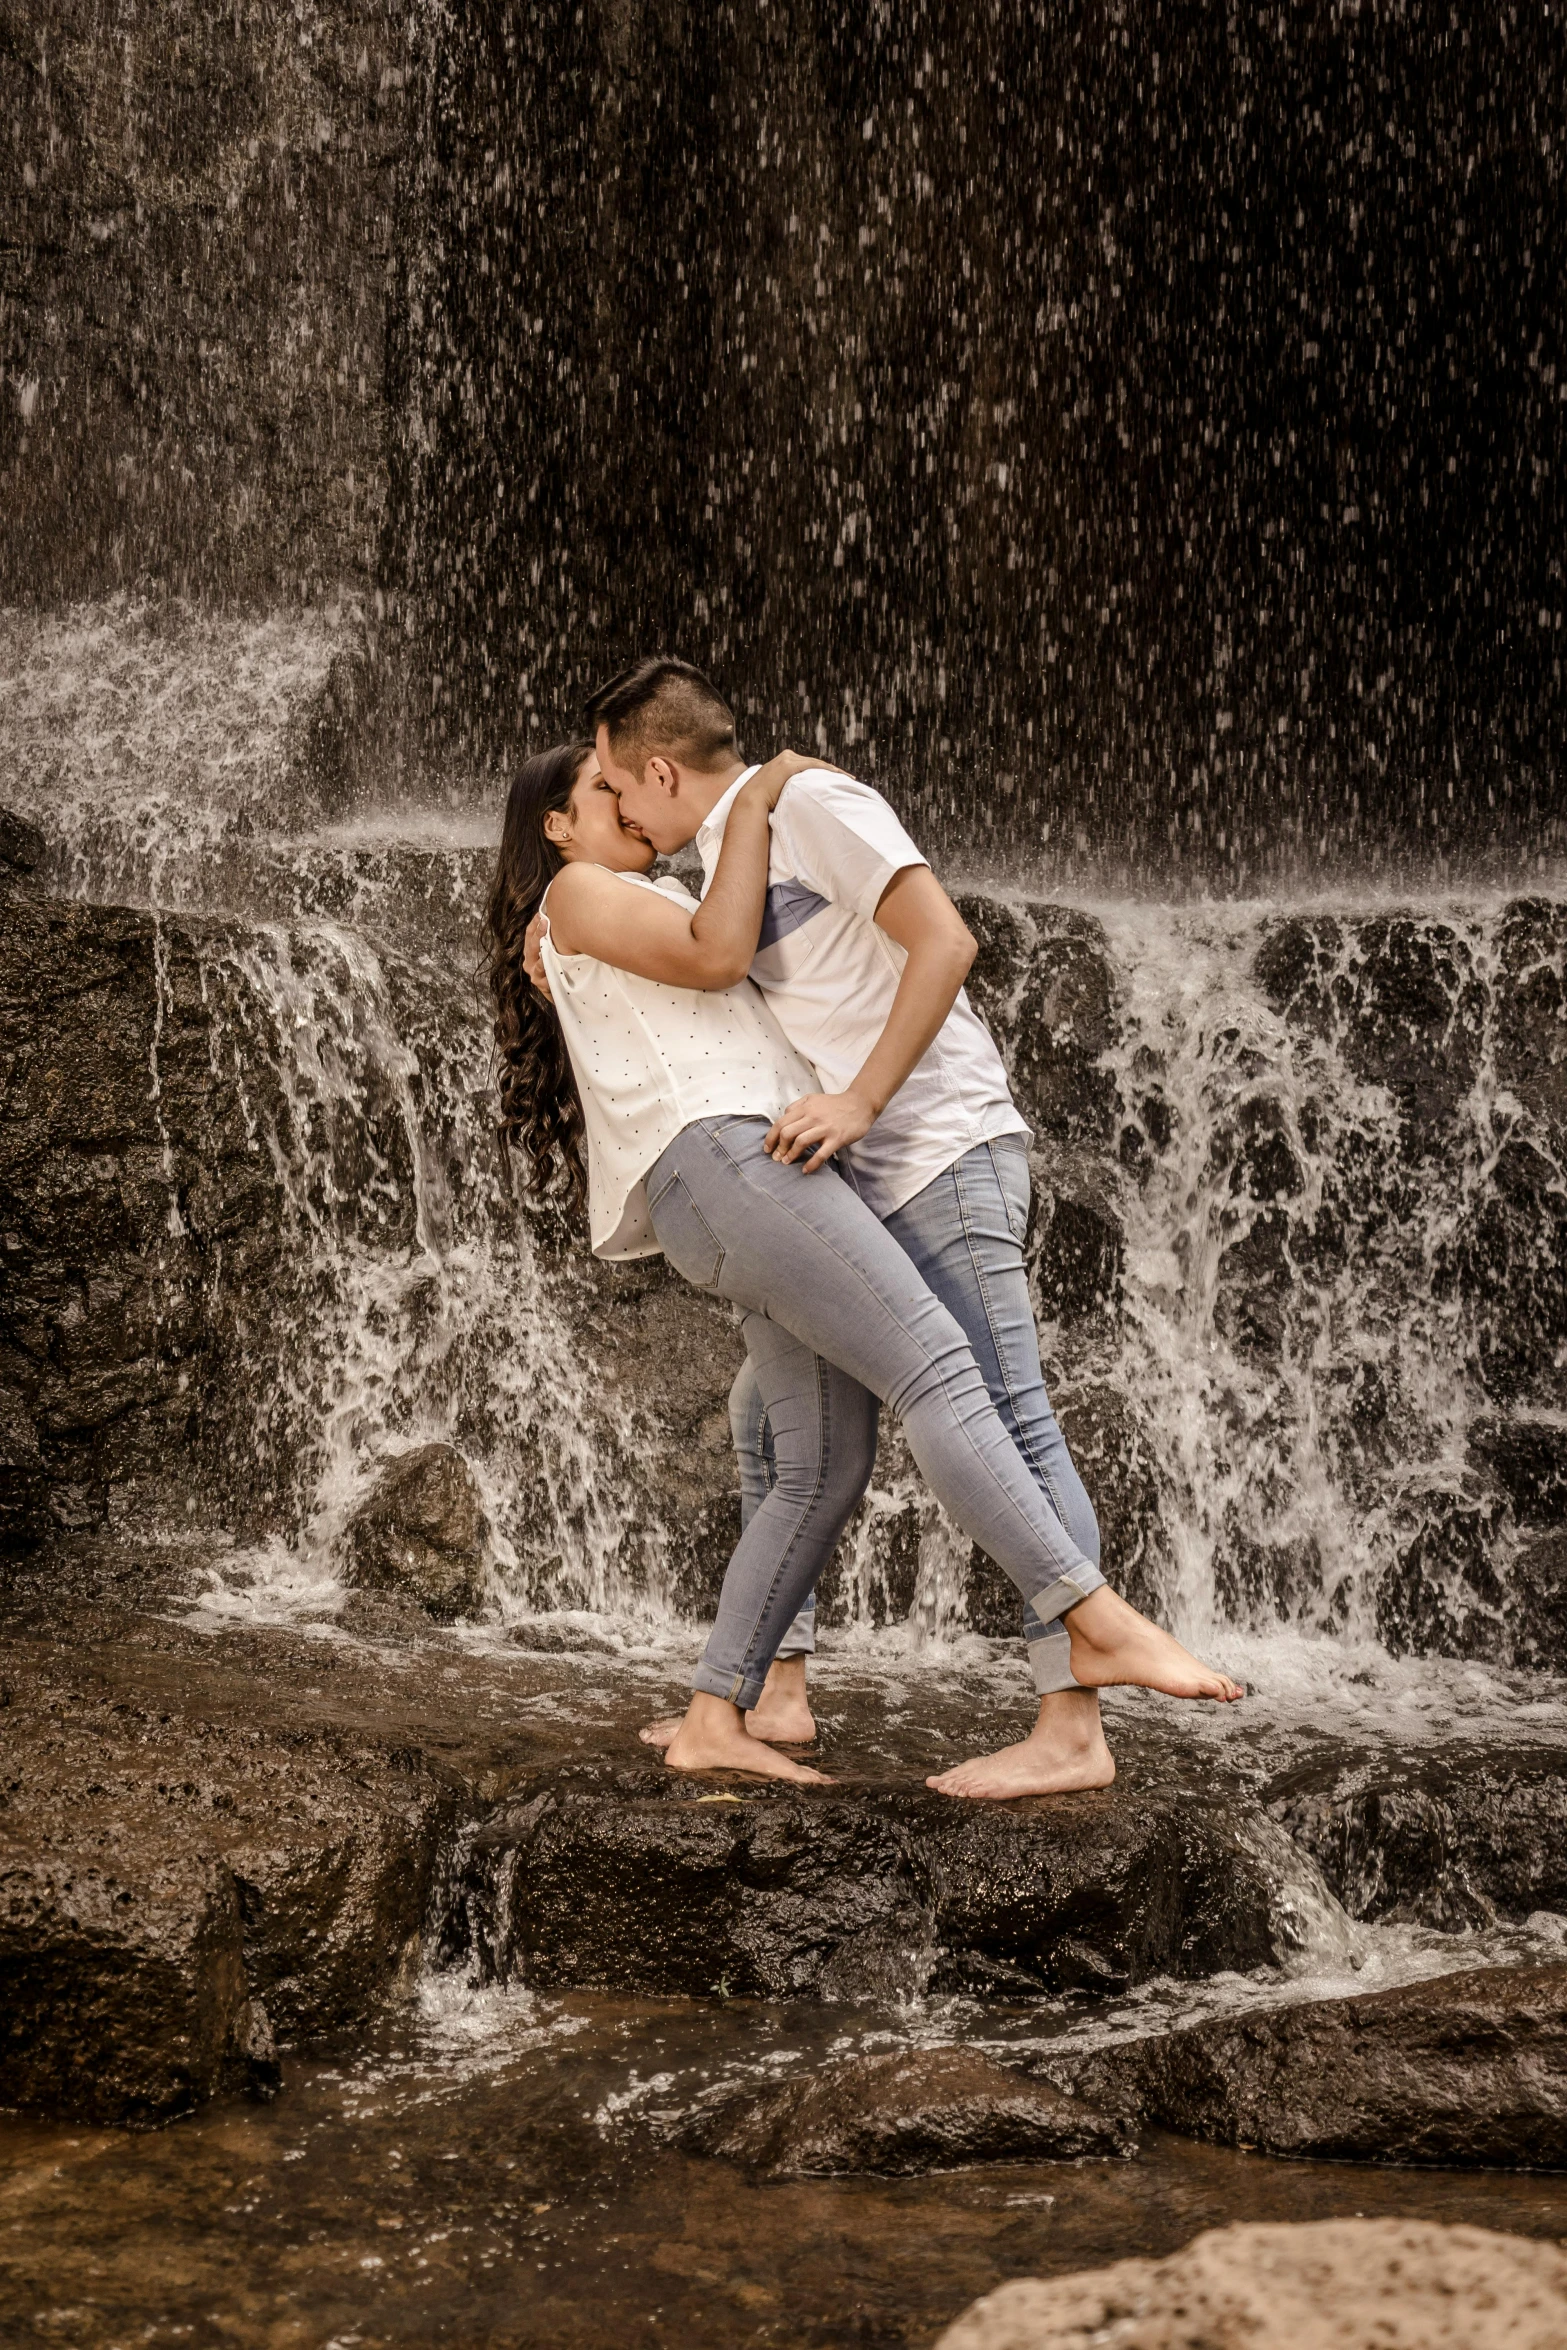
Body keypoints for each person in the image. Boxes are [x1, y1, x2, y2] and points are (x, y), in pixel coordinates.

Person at [488, 733, 1242, 1792]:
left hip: (770, 1161)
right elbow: (712, 948)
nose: (619, 799)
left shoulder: (654, 892)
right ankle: (1092, 1618)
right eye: (594, 791)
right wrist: (749, 806)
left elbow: (721, 945)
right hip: (728, 1158)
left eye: (623, 781)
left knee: (817, 1457)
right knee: (936, 1364)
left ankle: (731, 1706)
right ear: (557, 826)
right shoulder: (584, 891)